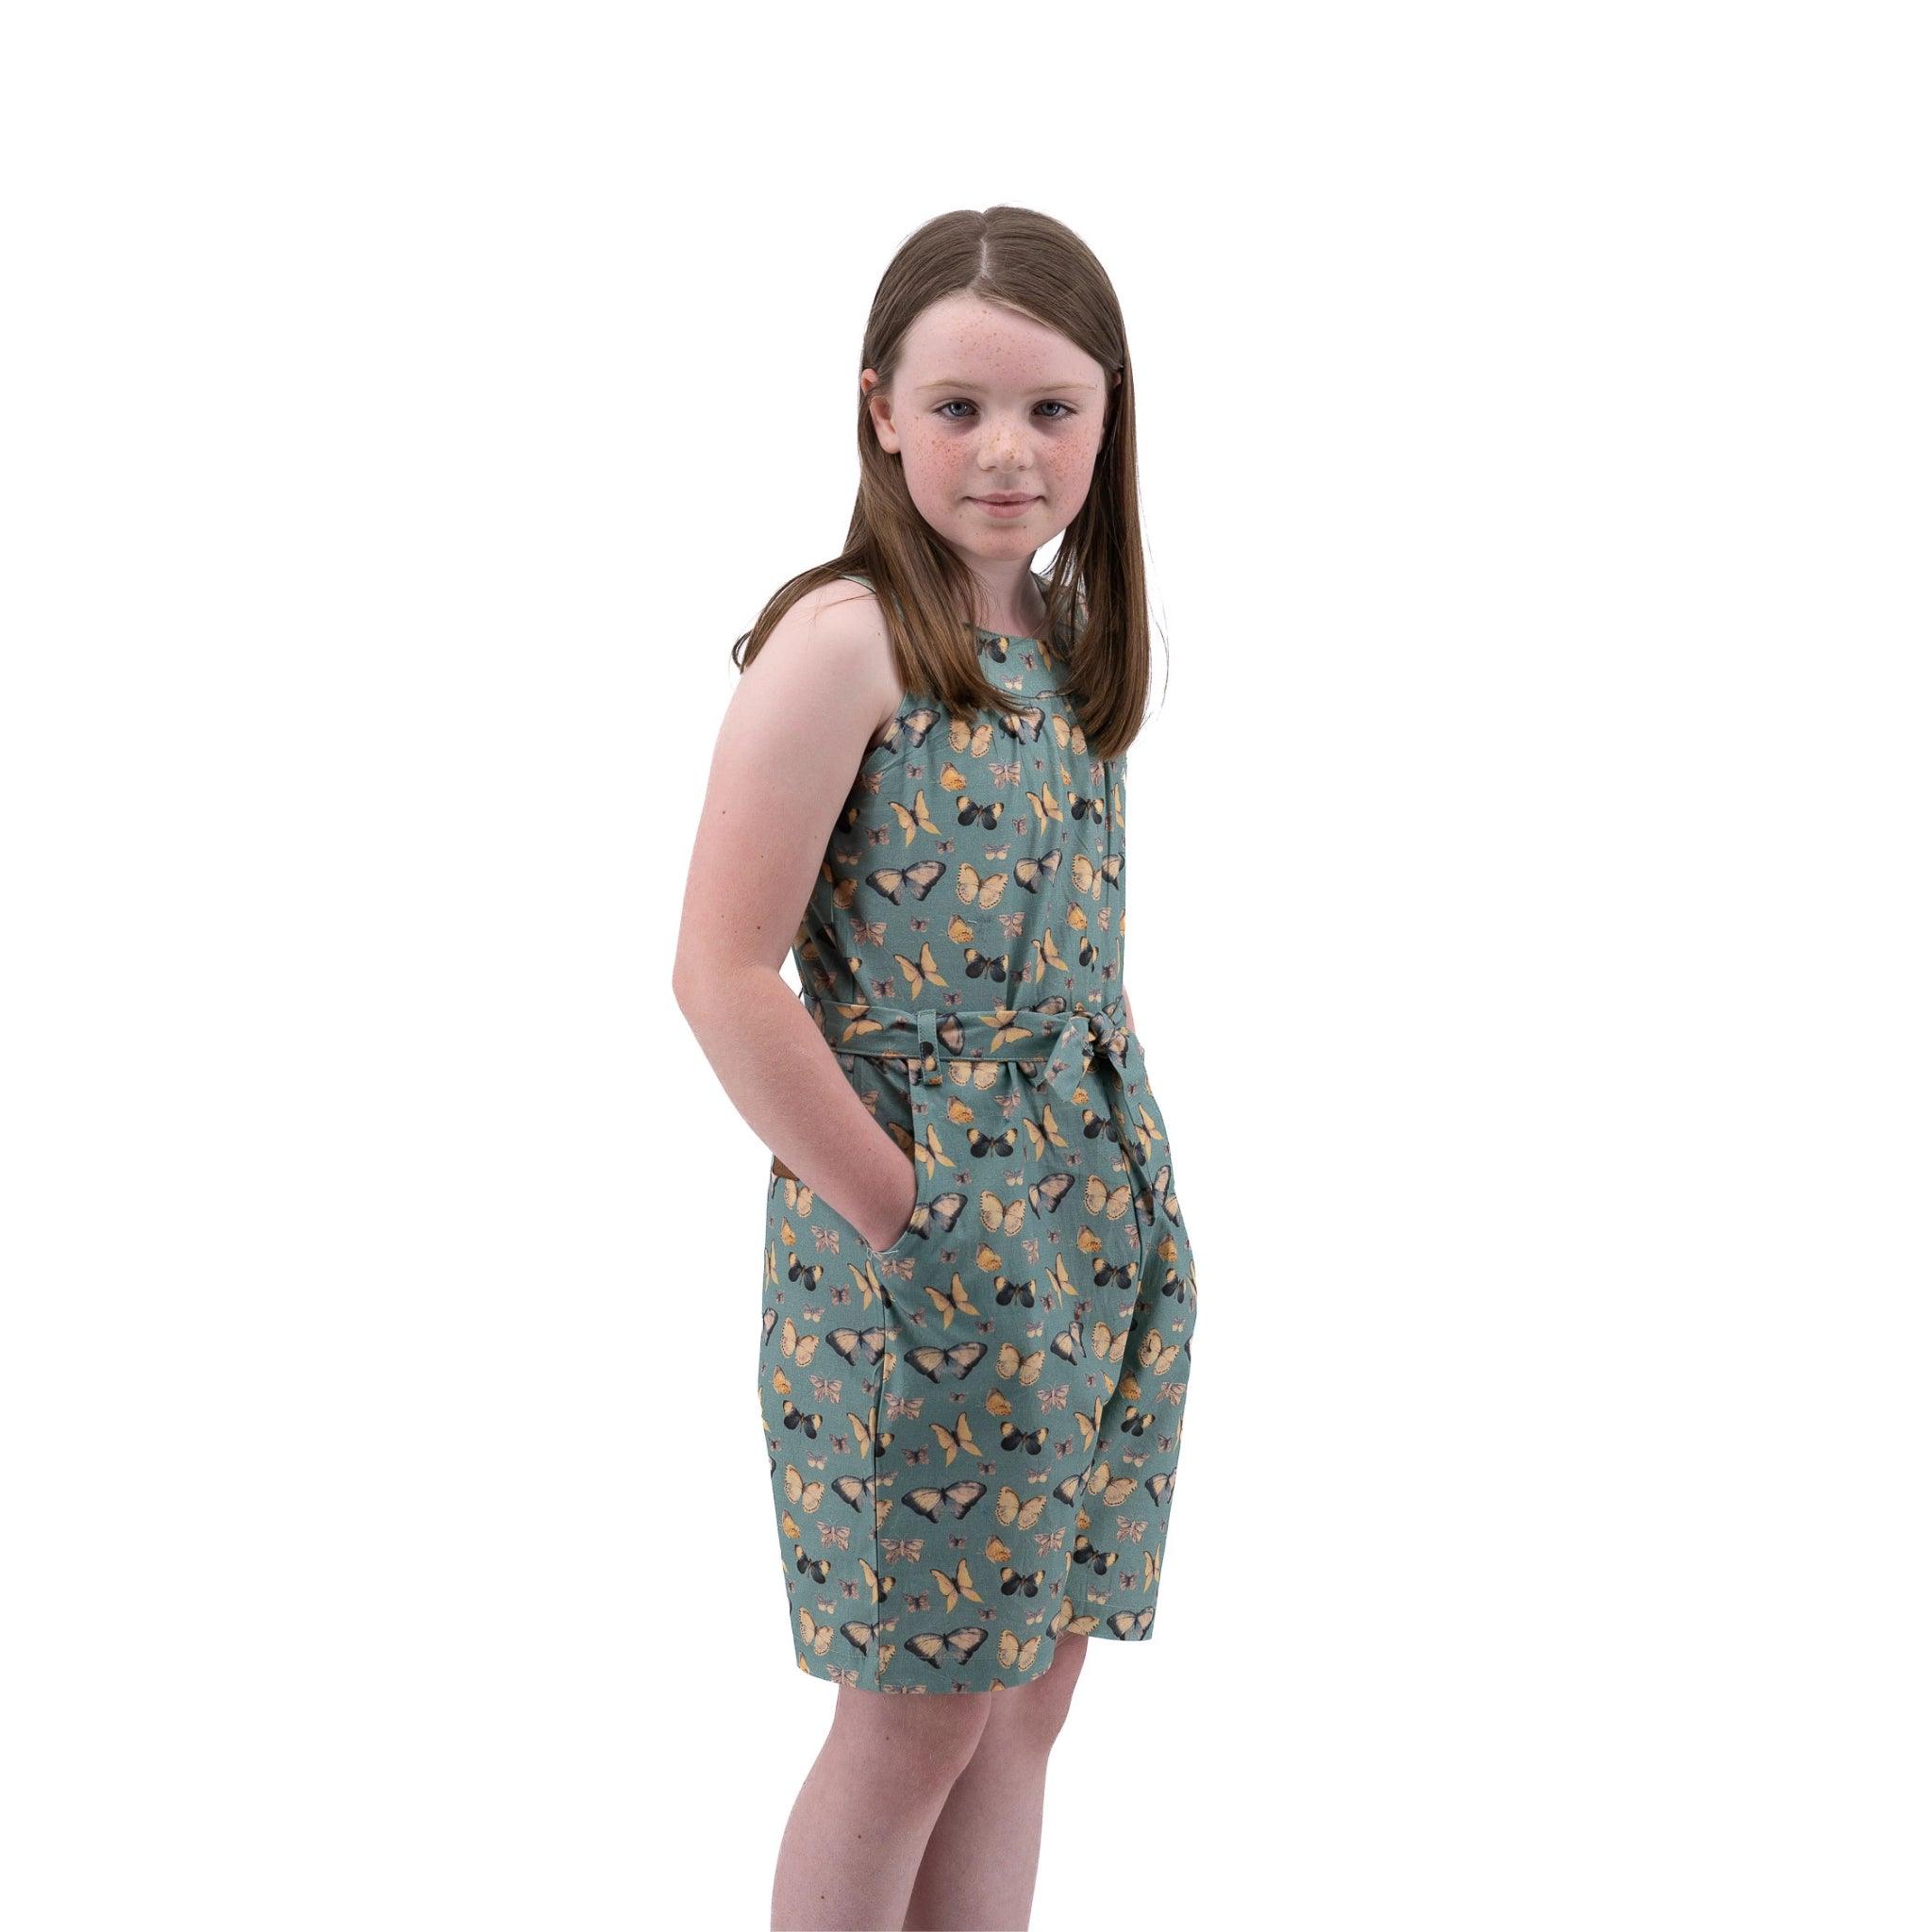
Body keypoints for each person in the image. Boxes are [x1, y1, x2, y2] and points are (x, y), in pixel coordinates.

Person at [673, 205, 1199, 1932]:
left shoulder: (1066, 643)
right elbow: (724, 972)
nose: (1007, 450)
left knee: (1027, 1697)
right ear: (878, 411)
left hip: (1092, 1230)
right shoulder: (842, 642)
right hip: (920, 1246)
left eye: (1053, 409)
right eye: (960, 405)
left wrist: (1099, 1217)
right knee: (915, 1714)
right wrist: (907, 1214)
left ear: (1108, 424)